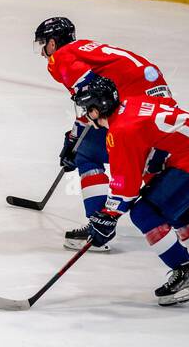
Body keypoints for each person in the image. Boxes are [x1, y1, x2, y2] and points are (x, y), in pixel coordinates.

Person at [73, 76, 189, 306]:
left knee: (144, 213)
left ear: (98, 108)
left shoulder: (120, 131)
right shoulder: (132, 104)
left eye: (87, 108)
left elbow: (126, 188)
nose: (85, 114)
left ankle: (185, 274)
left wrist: (108, 216)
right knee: (180, 214)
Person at [33, 17, 173, 249]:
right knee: (150, 166)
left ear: (53, 43)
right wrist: (75, 133)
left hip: (136, 110)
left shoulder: (61, 58)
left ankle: (98, 226)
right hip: (162, 108)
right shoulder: (88, 47)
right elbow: (101, 100)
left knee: (86, 153)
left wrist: (75, 139)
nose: (43, 53)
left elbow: (98, 99)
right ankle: (173, 222)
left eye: (44, 45)